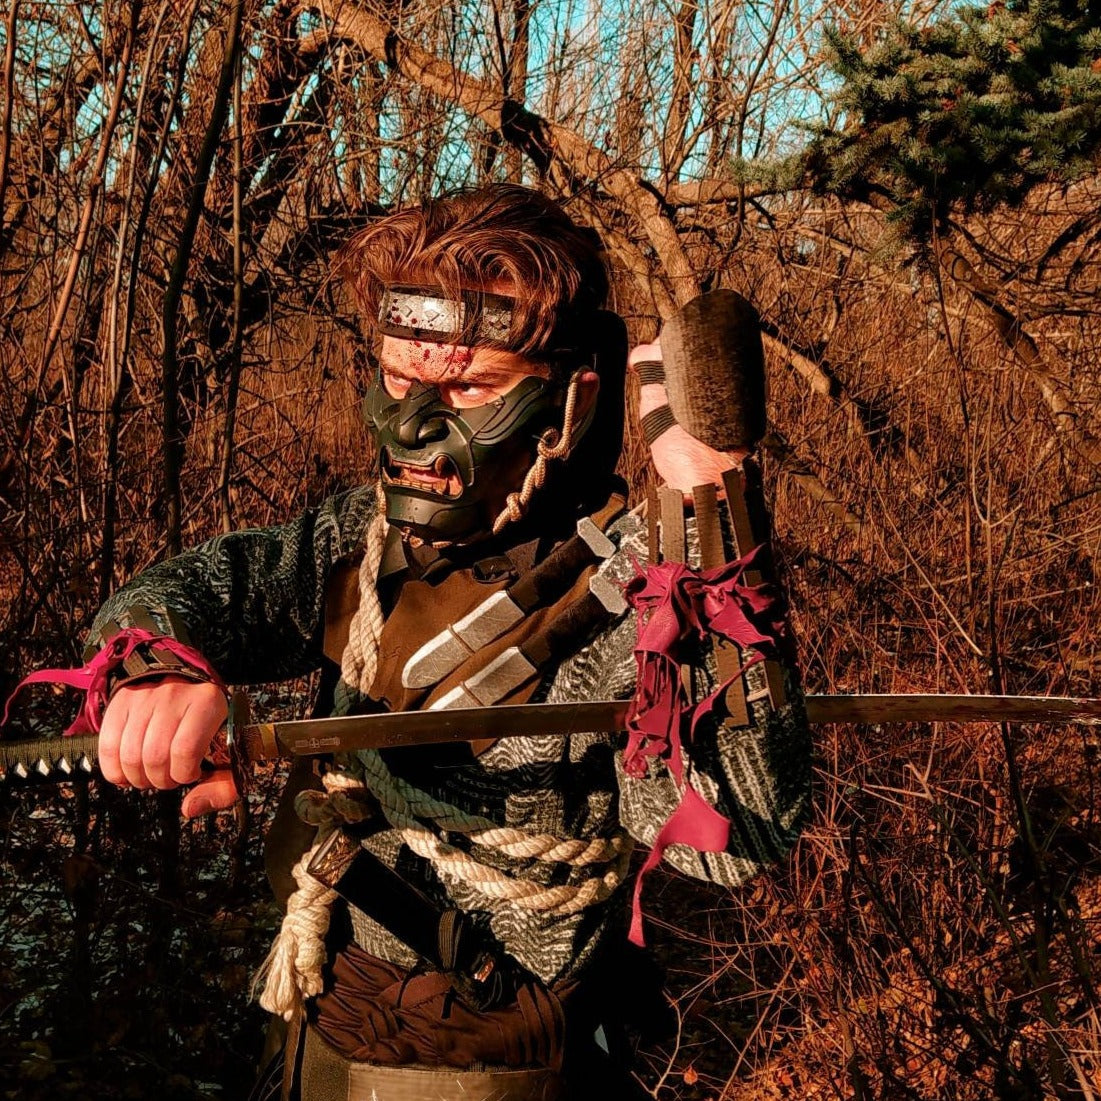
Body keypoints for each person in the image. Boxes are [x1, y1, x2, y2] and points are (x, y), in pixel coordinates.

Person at [84, 184, 811, 1100]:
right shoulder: (359, 539)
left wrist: (709, 513)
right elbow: (190, 590)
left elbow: (729, 838)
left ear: (571, 398)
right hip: (312, 1020)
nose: (411, 424)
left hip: (501, 1063)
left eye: (468, 385)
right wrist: (158, 669)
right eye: (396, 377)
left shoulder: (643, 586)